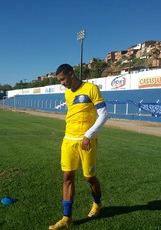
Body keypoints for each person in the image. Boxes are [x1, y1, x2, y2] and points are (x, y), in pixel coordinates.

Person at [49, 64, 109, 229]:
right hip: (68, 140)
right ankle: (66, 218)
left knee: (89, 177)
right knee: (67, 177)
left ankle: (97, 203)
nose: (61, 83)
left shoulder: (91, 89)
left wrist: (88, 135)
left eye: (62, 79)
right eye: (59, 80)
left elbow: (104, 114)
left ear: (71, 74)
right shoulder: (67, 93)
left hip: (86, 141)